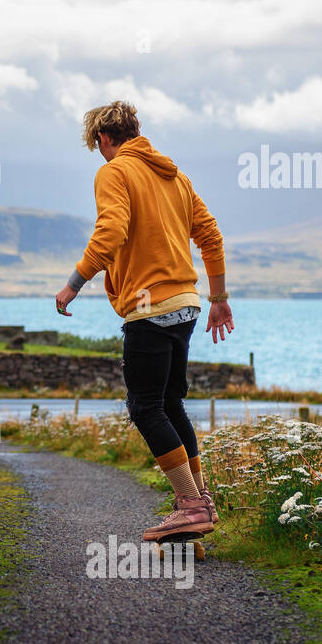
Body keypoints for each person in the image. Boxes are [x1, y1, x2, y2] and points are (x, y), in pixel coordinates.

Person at [54, 101, 234, 543]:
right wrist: (219, 297)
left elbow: (111, 231)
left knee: (145, 408)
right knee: (170, 405)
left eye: (96, 145)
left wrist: (74, 283)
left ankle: (191, 507)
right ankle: (199, 502)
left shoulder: (114, 171)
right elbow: (210, 235)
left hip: (149, 308)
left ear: (103, 139)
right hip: (188, 304)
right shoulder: (175, 176)